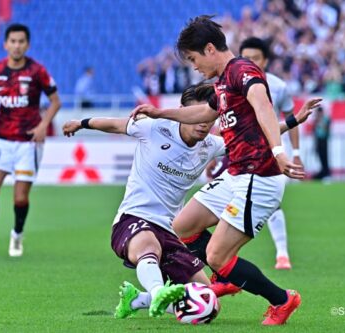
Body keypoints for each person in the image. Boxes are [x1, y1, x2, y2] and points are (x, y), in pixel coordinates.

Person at [62, 82, 314, 319]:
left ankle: (138, 299)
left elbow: (254, 136)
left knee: (208, 303)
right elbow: (115, 125)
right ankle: (158, 290)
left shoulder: (211, 144)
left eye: (209, 118)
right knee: (149, 247)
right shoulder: (153, 128)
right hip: (134, 219)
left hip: (171, 230)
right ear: (183, 112)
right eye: (198, 116)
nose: (204, 124)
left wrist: (293, 120)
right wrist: (81, 123)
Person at [131, 15, 321, 325]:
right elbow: (206, 111)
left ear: (209, 49)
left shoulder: (242, 71)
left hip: (258, 178)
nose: (194, 67)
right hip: (236, 175)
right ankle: (229, 272)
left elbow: (262, 106)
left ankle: (282, 300)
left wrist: (279, 152)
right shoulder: (222, 81)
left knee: (217, 255)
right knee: (180, 227)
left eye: (194, 59)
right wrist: (159, 111)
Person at [0, 24, 61, 257]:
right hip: (1, 139)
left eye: (21, 41)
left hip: (28, 142)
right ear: (5, 44)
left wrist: (42, 126)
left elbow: (55, 102)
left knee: (20, 197)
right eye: (13, 41)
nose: (17, 45)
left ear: (27, 44)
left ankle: (17, 235)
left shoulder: (37, 71)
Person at [239, 37, 299, 270]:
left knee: (273, 202)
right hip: (239, 152)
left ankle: (282, 253)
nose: (250, 62)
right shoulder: (234, 82)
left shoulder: (278, 86)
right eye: (246, 58)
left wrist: (297, 153)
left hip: (269, 151)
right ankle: (222, 258)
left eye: (255, 58)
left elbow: (292, 119)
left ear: (265, 60)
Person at [312, 106, 331, 180]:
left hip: (324, 140)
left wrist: (319, 121)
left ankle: (326, 173)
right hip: (318, 140)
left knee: (324, 157)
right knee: (320, 157)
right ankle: (323, 172)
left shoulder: (326, 119)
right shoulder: (316, 120)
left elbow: (325, 129)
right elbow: (315, 132)